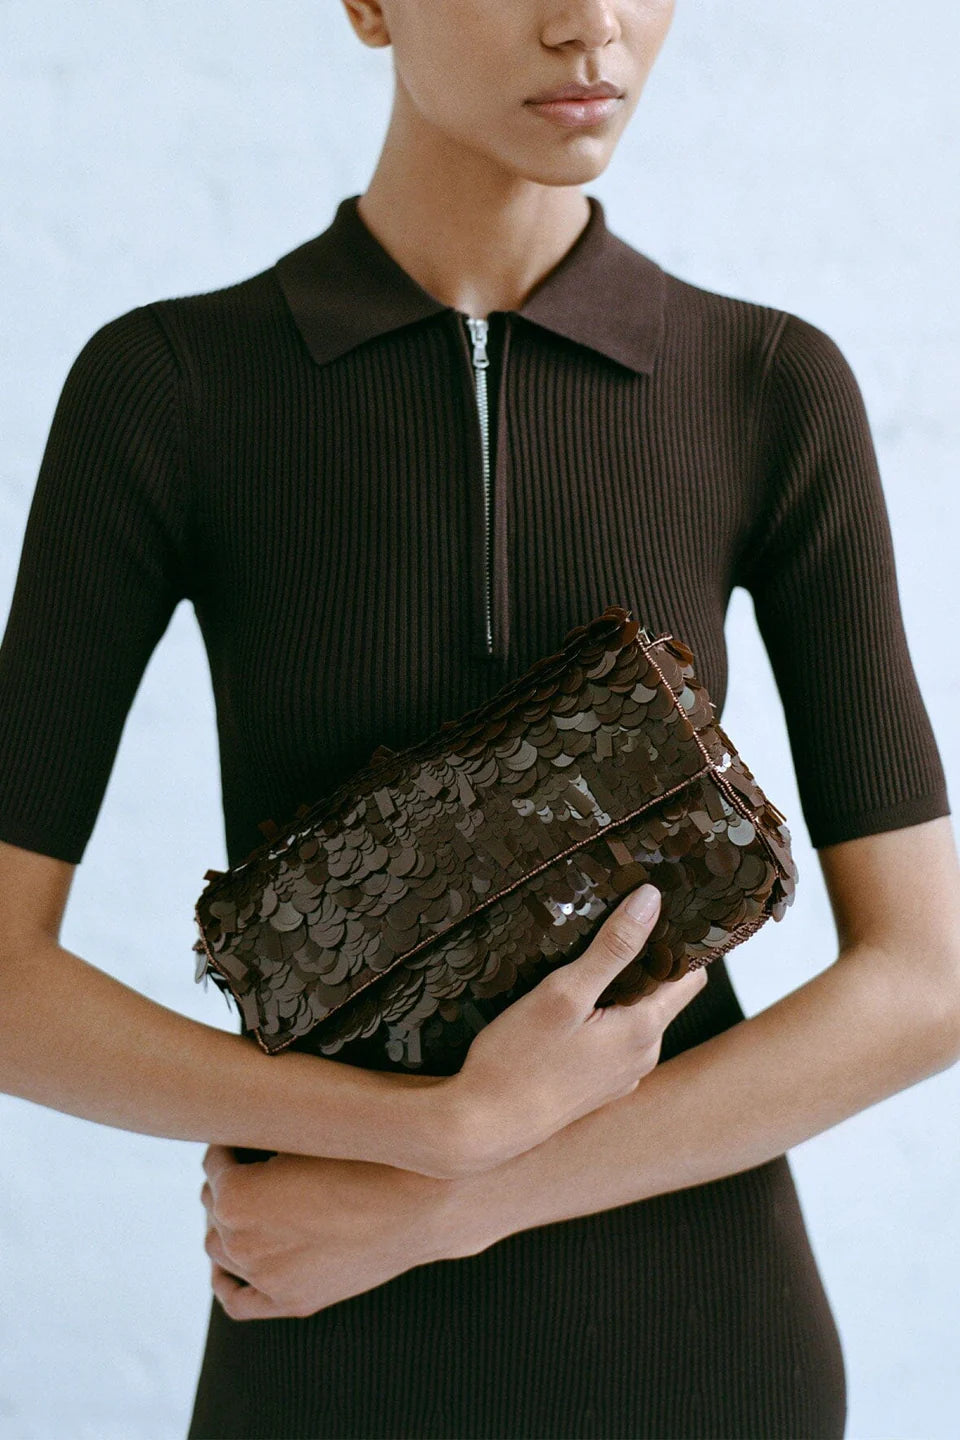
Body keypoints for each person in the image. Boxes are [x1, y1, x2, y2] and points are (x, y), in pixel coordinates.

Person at [1, 1, 959, 1436]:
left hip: (706, 1355)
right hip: (322, 1351)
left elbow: (926, 980)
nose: (592, 24)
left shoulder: (767, 385)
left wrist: (456, 1199)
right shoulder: (173, 390)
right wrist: (431, 1128)